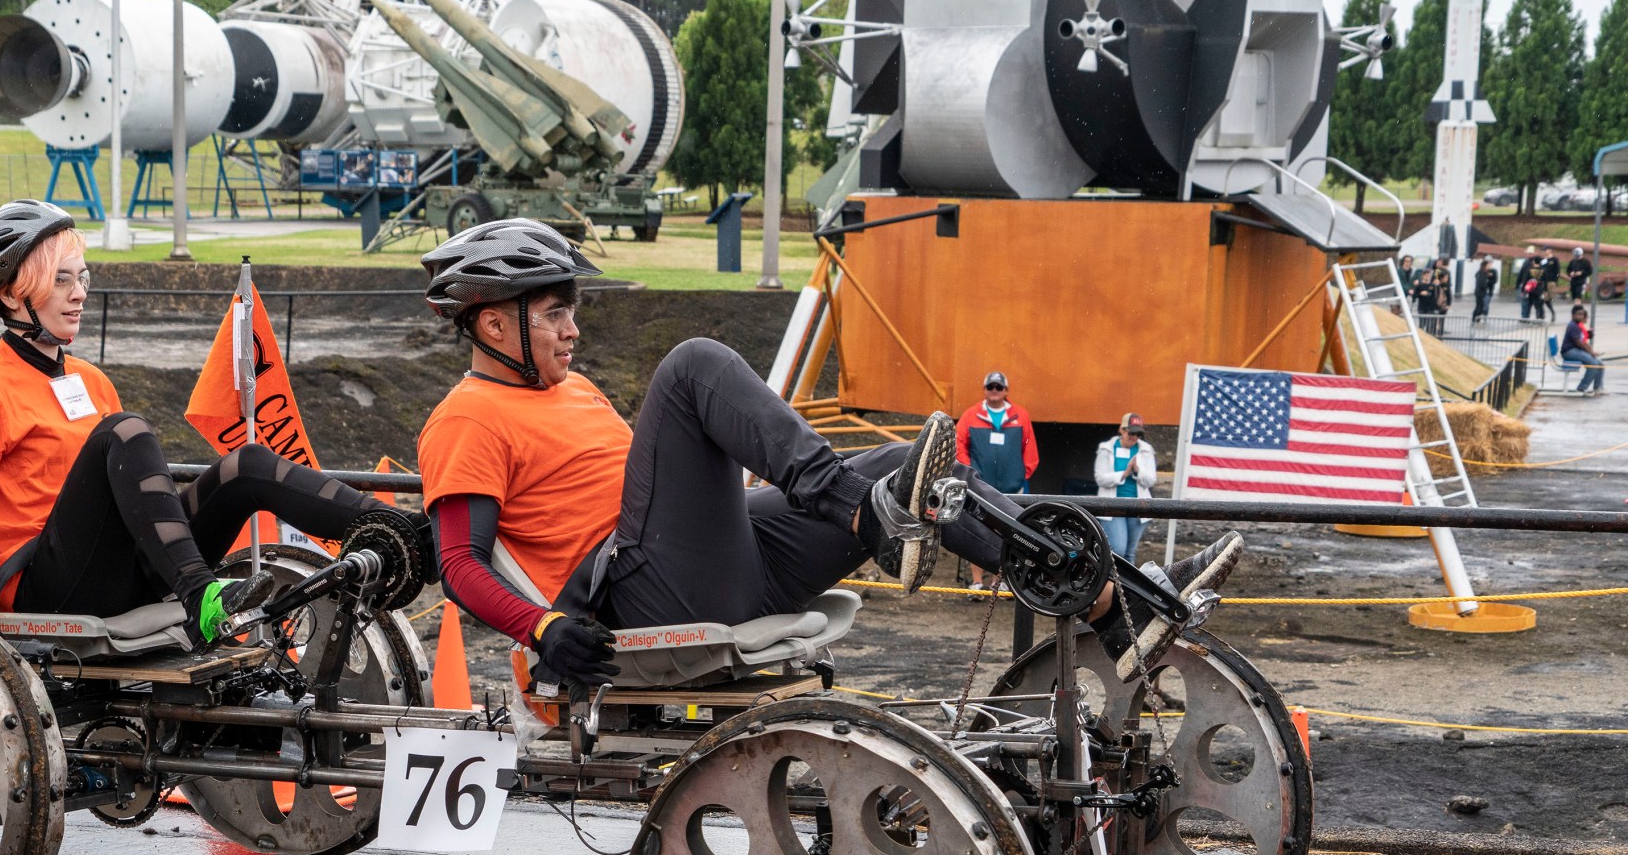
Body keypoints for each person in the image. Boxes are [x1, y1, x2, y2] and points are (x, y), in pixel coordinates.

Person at [411, 219, 1241, 689]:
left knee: (914, 464)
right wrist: (545, 626)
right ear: (494, 324)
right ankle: (858, 509)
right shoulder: (467, 419)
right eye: (556, 314)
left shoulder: (576, 392)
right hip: (641, 597)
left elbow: (666, 491)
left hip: (716, 564)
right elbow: (461, 564)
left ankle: (1118, 602)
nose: (573, 329)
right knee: (694, 363)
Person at [0, 200, 398, 645]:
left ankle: (406, 532)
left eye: (83, 277)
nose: (79, 294)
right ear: (12, 294)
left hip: (125, 573)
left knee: (246, 465)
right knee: (125, 430)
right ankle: (202, 598)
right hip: (50, 590)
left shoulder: (90, 380)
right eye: (60, 281)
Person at [955, 371, 1039, 589]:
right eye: (990, 387)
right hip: (980, 486)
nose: (994, 391)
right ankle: (975, 581)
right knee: (977, 529)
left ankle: (999, 579)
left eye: (998, 387)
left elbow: (1029, 448)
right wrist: (968, 470)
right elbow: (959, 444)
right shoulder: (971, 415)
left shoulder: (1021, 415)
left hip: (1013, 487)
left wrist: (1022, 474)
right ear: (984, 390)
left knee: (1010, 533)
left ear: (1006, 391)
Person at [1094, 413, 1156, 562]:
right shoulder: (1106, 449)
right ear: (1122, 430)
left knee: (1130, 553)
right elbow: (1100, 478)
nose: (1134, 437)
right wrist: (1123, 474)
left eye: (1138, 434)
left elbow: (1151, 480)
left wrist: (1137, 470)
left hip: (1138, 505)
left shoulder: (1146, 449)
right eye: (1131, 433)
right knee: (1117, 550)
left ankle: (1126, 585)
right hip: (1113, 505)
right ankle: (1111, 582)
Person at [1563, 305, 1605, 394]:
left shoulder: (1578, 325)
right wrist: (1590, 352)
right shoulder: (1573, 326)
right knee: (1594, 363)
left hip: (1576, 350)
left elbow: (1584, 342)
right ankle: (1582, 387)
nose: (1581, 316)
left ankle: (1598, 388)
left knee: (1600, 363)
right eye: (1579, 314)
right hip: (1569, 352)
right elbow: (1579, 343)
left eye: (1582, 314)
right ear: (1573, 315)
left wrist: (1592, 352)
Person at [1518, 247, 1547, 321]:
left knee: (1528, 303)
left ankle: (1526, 317)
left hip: (1531, 290)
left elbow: (1525, 280)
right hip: (1539, 290)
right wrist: (1545, 290)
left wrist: (1523, 288)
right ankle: (1540, 317)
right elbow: (1545, 280)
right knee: (1538, 304)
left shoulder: (1530, 269)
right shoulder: (1542, 270)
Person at [1471, 253, 1498, 322]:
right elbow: (1480, 282)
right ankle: (1476, 319)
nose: (1490, 264)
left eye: (1490, 262)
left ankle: (1482, 317)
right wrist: (1486, 282)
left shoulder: (1493, 271)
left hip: (1488, 291)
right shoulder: (1481, 272)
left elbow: (1495, 280)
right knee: (1480, 306)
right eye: (1488, 263)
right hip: (1481, 292)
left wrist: (1489, 282)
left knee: (1484, 306)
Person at [1539, 247, 1562, 321]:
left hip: (1550, 282)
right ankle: (1541, 315)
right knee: (1541, 298)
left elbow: (1557, 271)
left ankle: (1552, 313)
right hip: (1543, 281)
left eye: (1545, 250)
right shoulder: (1543, 260)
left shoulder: (1554, 260)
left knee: (1547, 299)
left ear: (1550, 251)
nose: (1544, 252)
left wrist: (1555, 280)